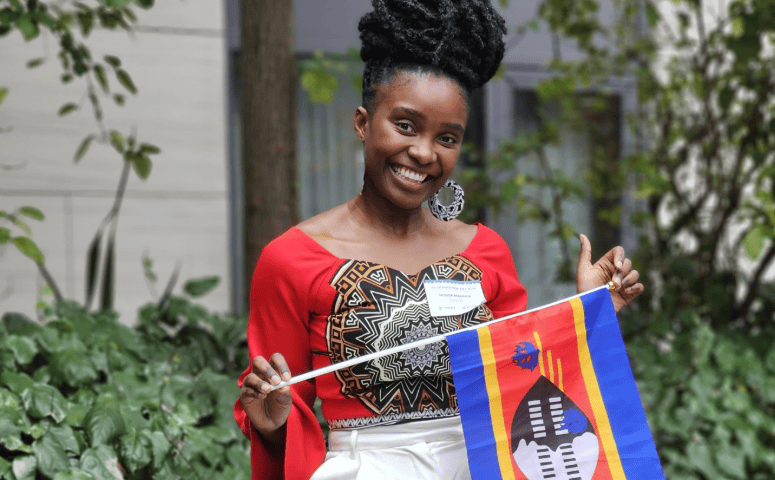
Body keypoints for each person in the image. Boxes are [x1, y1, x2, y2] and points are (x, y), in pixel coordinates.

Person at [234, 1, 644, 479]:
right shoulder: (291, 258)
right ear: (364, 123)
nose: (423, 152)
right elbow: (283, 415)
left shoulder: (485, 250)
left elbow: (525, 384)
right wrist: (270, 421)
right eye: (404, 125)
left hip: (484, 465)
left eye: (447, 138)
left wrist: (590, 310)